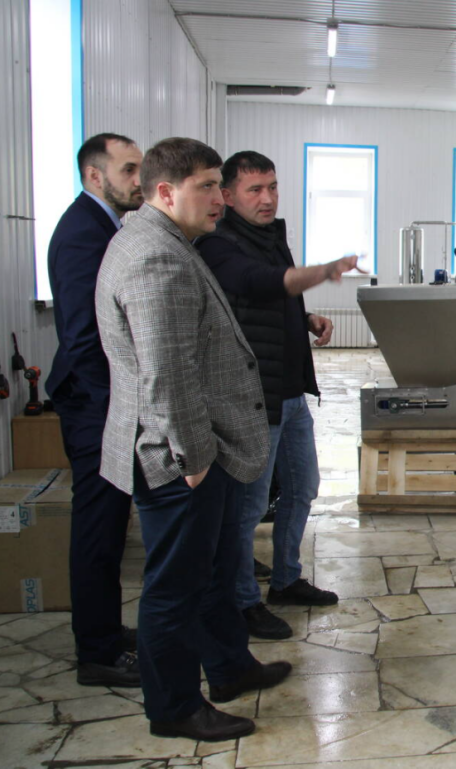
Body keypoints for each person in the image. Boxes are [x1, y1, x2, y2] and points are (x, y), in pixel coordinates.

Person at [95, 137, 290, 741]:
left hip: (197, 445)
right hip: (178, 455)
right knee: (174, 588)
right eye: (206, 187)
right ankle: (175, 707)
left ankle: (229, 667)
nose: (219, 199)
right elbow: (166, 372)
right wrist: (191, 457)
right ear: (164, 191)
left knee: (210, 571)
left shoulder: (166, 240)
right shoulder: (155, 256)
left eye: (216, 185)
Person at [197, 151, 359, 639]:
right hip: (253, 398)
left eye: (272, 187)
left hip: (290, 392)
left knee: (303, 487)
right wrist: (322, 271)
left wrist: (305, 318)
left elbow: (270, 299)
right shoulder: (218, 244)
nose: (267, 198)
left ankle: (286, 580)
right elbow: (257, 283)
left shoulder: (271, 237)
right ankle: (243, 601)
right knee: (249, 507)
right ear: (228, 196)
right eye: (255, 190)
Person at [47, 133, 144, 688]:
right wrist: (117, 411)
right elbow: (84, 337)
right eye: (128, 169)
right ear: (94, 175)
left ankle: (104, 630)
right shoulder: (83, 233)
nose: (138, 179)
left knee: (109, 529)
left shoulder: (106, 227)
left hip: (103, 402)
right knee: (98, 531)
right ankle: (97, 653)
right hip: (95, 405)